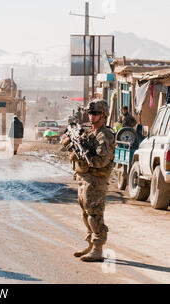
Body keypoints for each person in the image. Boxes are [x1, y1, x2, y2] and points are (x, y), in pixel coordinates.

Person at [61, 99, 116, 262]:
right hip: (84, 178)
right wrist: (70, 142)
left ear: (103, 115)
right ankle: (91, 245)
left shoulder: (105, 135)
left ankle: (98, 249)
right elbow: (66, 141)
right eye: (90, 113)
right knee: (85, 214)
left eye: (95, 113)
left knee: (94, 214)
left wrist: (84, 157)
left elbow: (102, 161)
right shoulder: (87, 132)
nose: (91, 116)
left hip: (96, 180)